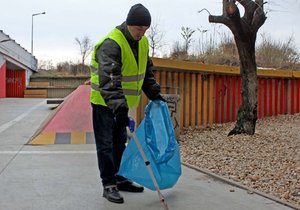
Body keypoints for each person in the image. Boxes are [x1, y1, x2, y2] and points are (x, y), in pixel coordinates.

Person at [90, 3, 165, 204]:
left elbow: (146, 73)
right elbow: (109, 81)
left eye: (145, 29)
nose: (142, 33)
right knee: (105, 144)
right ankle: (108, 184)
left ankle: (120, 177)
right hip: (104, 103)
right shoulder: (112, 44)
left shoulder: (143, 43)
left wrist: (155, 93)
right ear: (129, 24)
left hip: (122, 104)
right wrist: (120, 109)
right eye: (139, 28)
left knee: (119, 141)